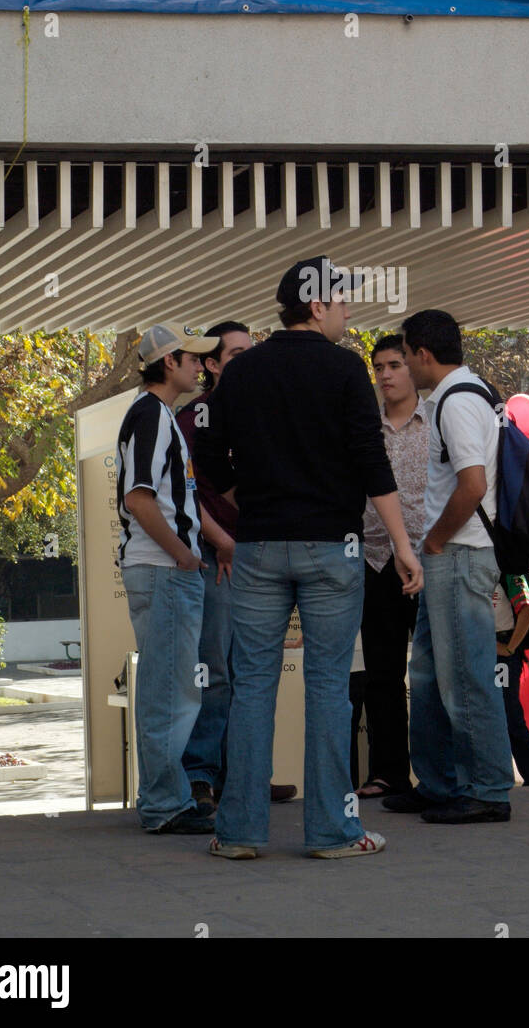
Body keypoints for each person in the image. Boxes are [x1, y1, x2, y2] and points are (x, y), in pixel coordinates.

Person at [194, 256, 423, 859]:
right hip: (333, 548)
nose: (349, 312)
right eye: (343, 301)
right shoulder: (347, 370)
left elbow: (211, 463)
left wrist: (260, 497)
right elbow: (373, 464)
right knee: (328, 688)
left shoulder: (242, 373)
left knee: (252, 688)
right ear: (317, 305)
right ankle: (333, 832)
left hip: (259, 547)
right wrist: (402, 546)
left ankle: (239, 832)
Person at [382, 308, 515, 825]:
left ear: (423, 353)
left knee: (465, 676)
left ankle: (487, 788)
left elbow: (473, 485)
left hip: (459, 554)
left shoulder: (457, 402)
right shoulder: (467, 393)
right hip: (453, 555)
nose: (403, 368)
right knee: (432, 674)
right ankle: (439, 782)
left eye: (406, 355)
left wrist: (433, 541)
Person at [176, 321, 297, 811]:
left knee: (254, 670)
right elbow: (183, 495)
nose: (248, 362)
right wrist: (222, 541)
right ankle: (200, 776)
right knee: (216, 671)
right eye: (237, 354)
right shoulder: (193, 418)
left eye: (253, 352)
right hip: (215, 555)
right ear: (211, 363)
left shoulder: (262, 414)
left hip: (258, 554)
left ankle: (244, 776)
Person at [115, 322, 218, 834]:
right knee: (171, 690)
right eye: (192, 358)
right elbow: (139, 499)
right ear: (169, 363)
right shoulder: (153, 415)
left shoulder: (155, 414)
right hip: (162, 570)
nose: (201, 365)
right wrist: (183, 555)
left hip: (159, 569)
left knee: (171, 687)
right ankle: (164, 803)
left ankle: (165, 798)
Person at [357, 334, 429, 800]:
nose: (385, 374)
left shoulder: (438, 420)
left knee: (431, 672)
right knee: (381, 673)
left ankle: (437, 772)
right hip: (375, 560)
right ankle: (388, 773)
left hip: (430, 559)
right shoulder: (365, 426)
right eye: (379, 366)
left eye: (394, 365)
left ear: (412, 367)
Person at [496, 575, 529, 785]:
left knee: (508, 713)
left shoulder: (509, 571)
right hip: (479, 646)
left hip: (501, 653)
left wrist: (509, 648)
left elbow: (528, 608)